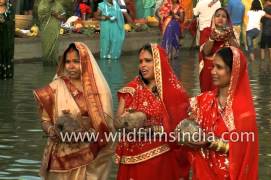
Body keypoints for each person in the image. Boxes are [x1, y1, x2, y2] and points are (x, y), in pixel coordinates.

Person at [33, 42, 115, 179]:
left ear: (85, 62)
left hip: (90, 156)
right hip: (60, 158)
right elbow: (45, 120)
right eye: (67, 62)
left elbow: (106, 127)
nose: (71, 66)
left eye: (76, 61)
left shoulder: (99, 91)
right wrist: (51, 130)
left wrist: (89, 134)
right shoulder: (55, 88)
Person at [115, 43, 190, 180]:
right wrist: (126, 121)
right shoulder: (131, 90)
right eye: (140, 61)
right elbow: (117, 123)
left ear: (159, 62)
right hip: (132, 159)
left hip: (162, 157)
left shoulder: (174, 92)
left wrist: (151, 128)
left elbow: (181, 128)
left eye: (148, 61)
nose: (143, 65)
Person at [187, 47, 259, 180]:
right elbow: (177, 115)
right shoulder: (203, 100)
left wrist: (209, 142)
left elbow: (243, 151)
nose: (213, 71)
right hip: (203, 174)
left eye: (219, 67)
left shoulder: (244, 112)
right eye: (213, 66)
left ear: (234, 72)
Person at [200, 8, 238, 92]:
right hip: (209, 70)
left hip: (225, 71)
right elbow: (205, 52)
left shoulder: (231, 32)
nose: (220, 18)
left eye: (224, 16)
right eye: (218, 16)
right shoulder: (206, 31)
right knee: (208, 97)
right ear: (213, 18)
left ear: (227, 20)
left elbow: (237, 52)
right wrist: (211, 38)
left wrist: (230, 37)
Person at [38, 0, 66, 65]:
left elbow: (63, 17)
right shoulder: (42, 4)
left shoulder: (58, 5)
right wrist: (48, 12)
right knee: (46, 49)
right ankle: (46, 66)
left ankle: (54, 66)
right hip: (46, 31)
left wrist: (57, 16)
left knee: (55, 48)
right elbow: (40, 16)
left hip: (55, 30)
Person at [0, 0, 14, 80]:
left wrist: (4, 22)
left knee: (5, 51)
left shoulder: (9, 9)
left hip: (6, 37)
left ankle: (6, 74)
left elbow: (12, 23)